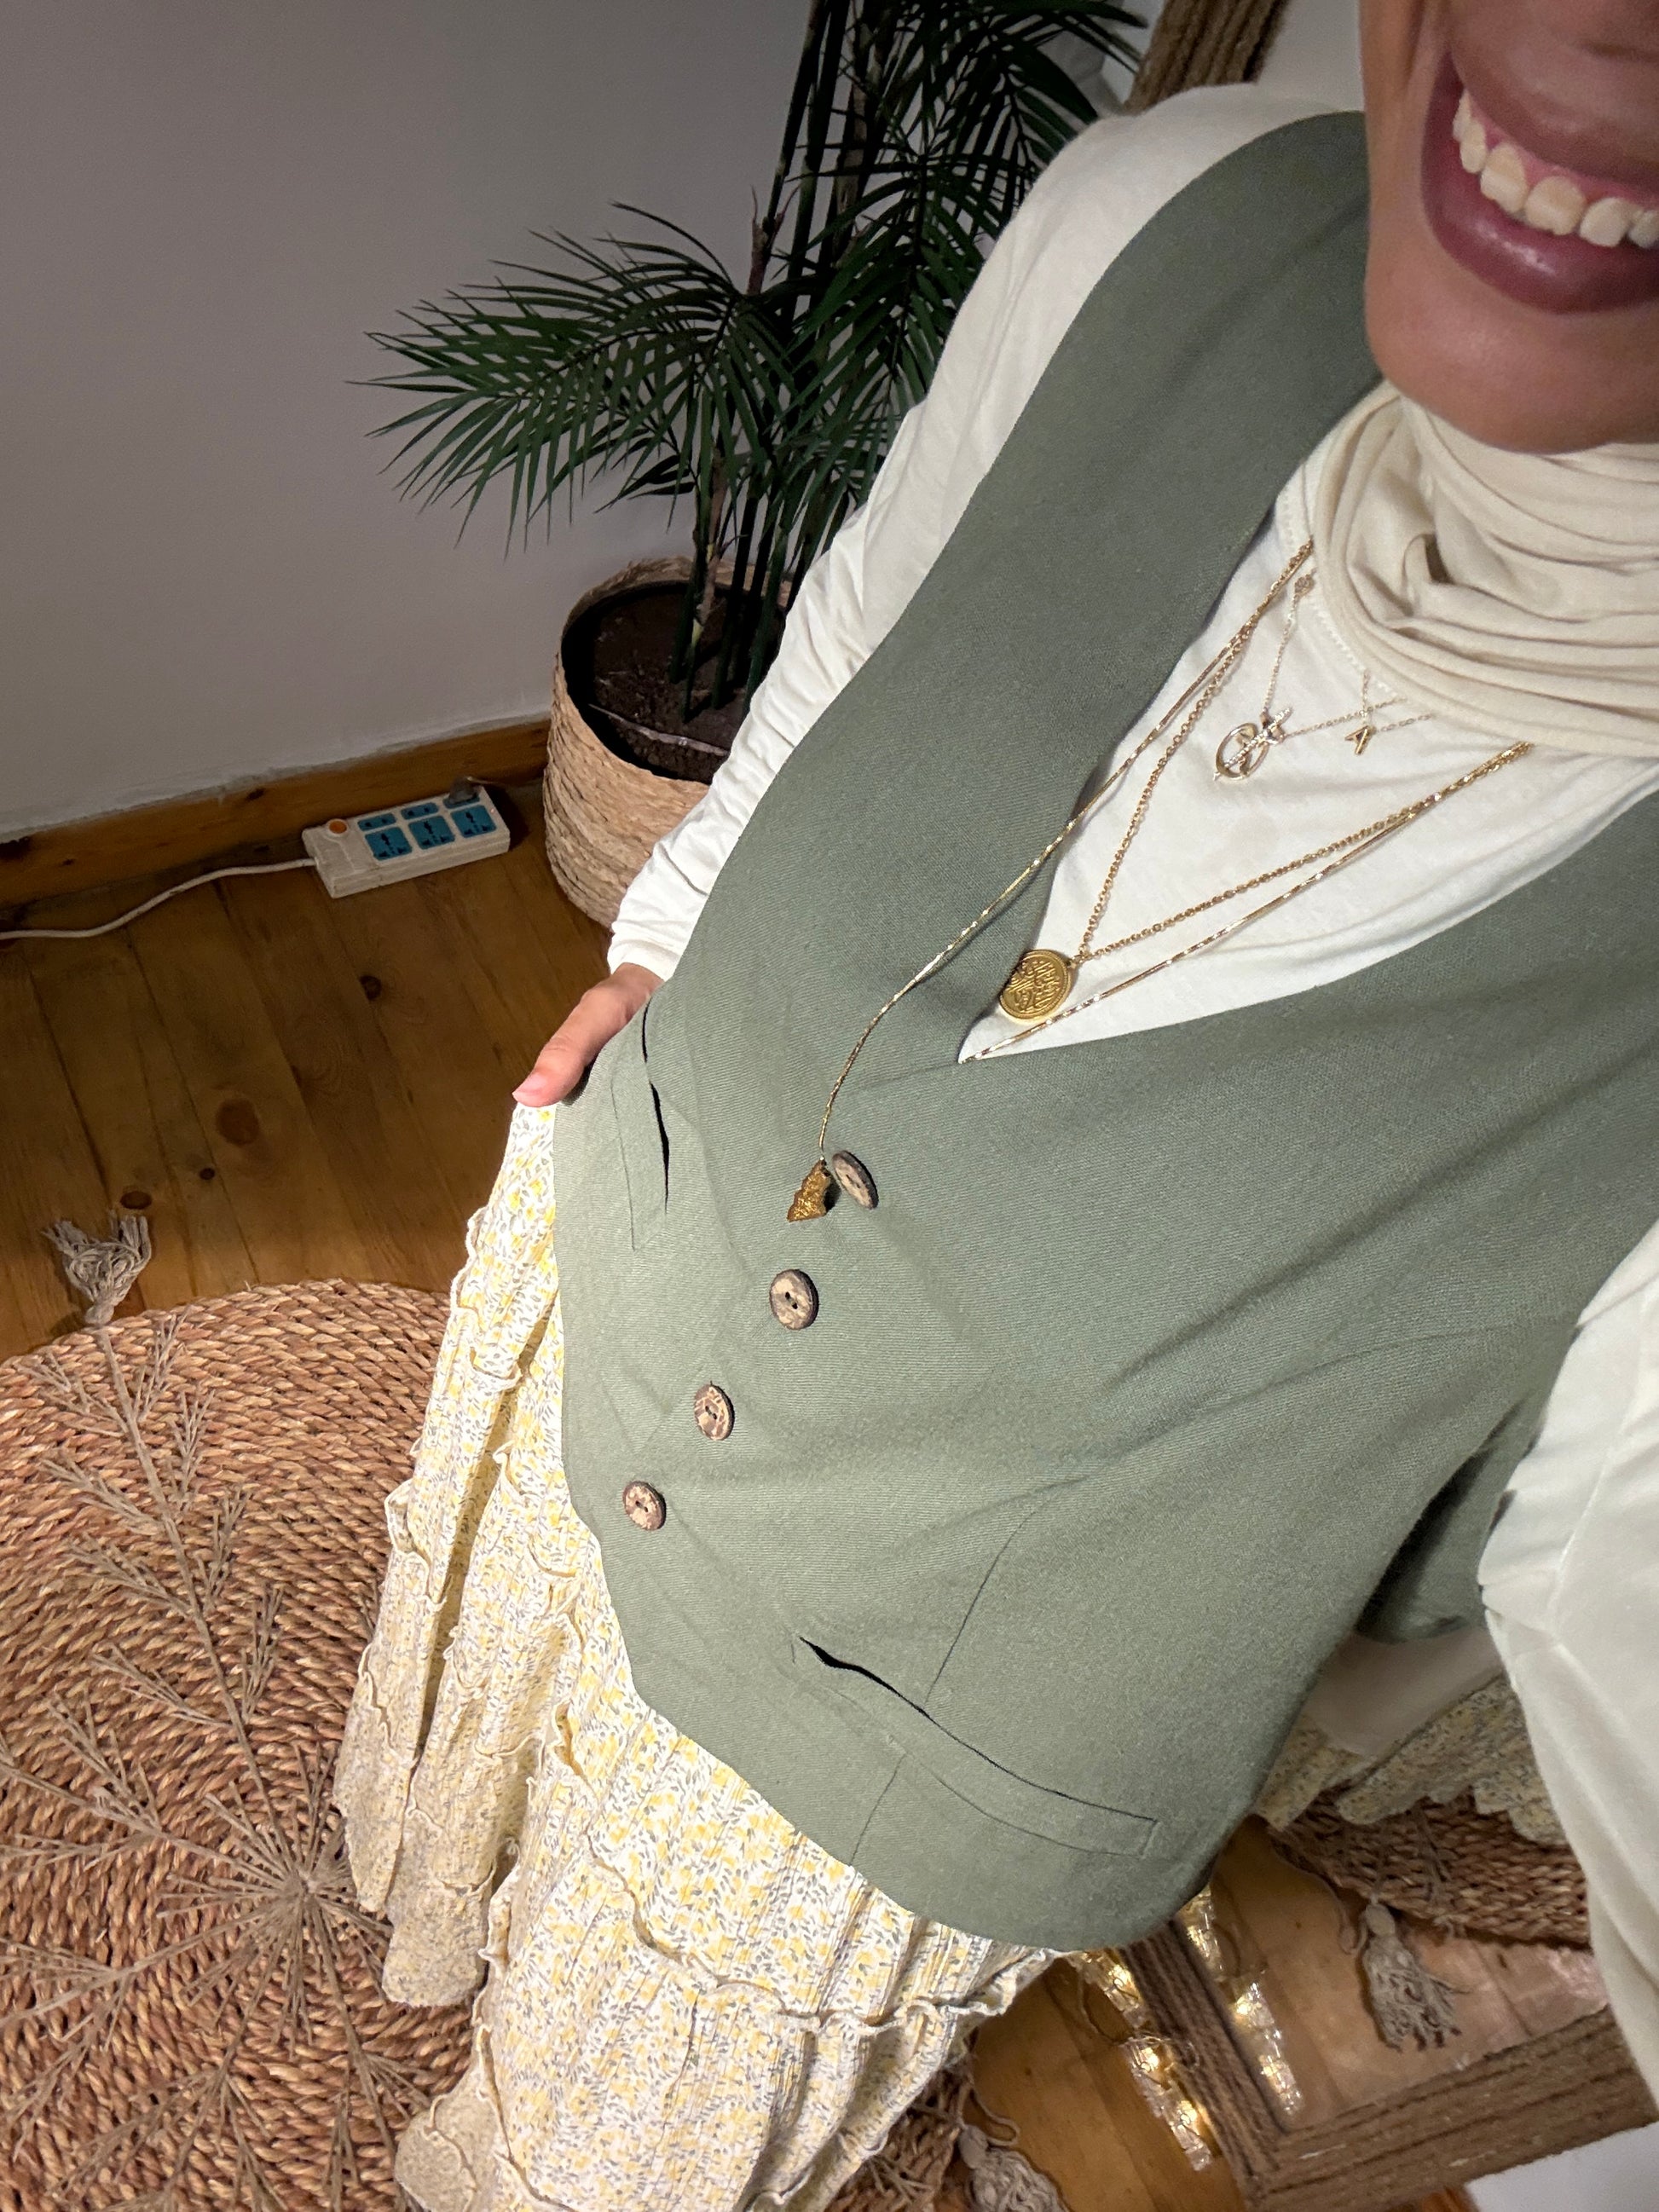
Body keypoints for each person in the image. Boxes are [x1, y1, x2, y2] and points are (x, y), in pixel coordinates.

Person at [335, 3, 1659, 2206]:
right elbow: (871, 614)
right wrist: (673, 932)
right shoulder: (1165, 209)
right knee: (496, 1745)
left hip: (899, 1747)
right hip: (622, 1258)